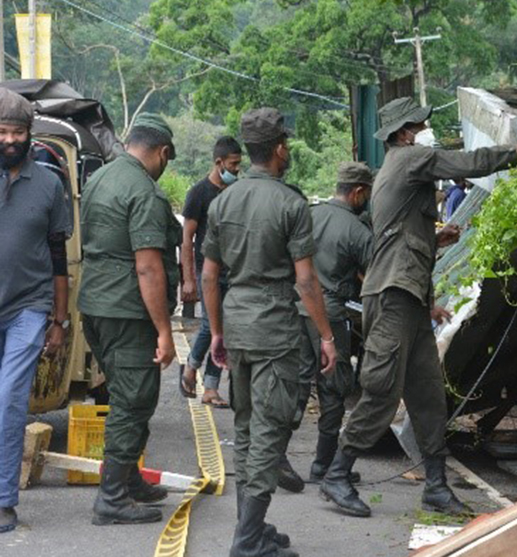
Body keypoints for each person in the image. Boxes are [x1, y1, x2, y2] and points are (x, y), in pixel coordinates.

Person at [319, 97, 517, 518]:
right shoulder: (409, 159)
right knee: (382, 393)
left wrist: (433, 253)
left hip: (406, 297)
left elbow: (399, 242)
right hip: (391, 298)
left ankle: (437, 486)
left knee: (427, 397)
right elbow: (468, 163)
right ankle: (337, 473)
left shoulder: (400, 169)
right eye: (421, 125)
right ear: (405, 131)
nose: (426, 130)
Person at [202, 107, 338, 557]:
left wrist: (217, 332)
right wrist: (326, 336)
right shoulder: (291, 204)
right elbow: (305, 280)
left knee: (244, 429)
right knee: (269, 433)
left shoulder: (222, 201)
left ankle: (252, 529)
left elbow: (208, 277)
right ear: (279, 149)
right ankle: (246, 541)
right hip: (274, 329)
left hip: (237, 325)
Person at [78, 113, 181, 526]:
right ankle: (113, 496)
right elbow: (148, 268)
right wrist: (163, 330)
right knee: (133, 399)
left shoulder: (100, 179)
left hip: (97, 306)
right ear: (162, 152)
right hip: (127, 311)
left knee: (125, 392)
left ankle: (130, 479)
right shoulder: (145, 192)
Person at [0, 88, 71, 534]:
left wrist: (59, 320)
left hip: (29, 307)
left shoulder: (49, 184)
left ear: (30, 134)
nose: (9, 139)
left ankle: (4, 499)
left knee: (8, 398)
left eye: (17, 132)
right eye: (2, 131)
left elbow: (58, 256)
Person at [280, 162, 373, 491]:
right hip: (331, 313)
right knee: (333, 387)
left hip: (297, 308)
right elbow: (376, 271)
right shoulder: (356, 229)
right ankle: (324, 464)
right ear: (358, 192)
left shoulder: (309, 215)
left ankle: (277, 453)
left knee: (299, 382)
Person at [180, 136, 243, 408]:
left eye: (239, 164)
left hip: (231, 272)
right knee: (210, 325)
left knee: (225, 329)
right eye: (233, 164)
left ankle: (211, 388)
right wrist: (188, 280)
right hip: (207, 271)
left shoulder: (233, 192)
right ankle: (191, 367)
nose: (237, 169)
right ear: (219, 163)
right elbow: (186, 239)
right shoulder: (199, 193)